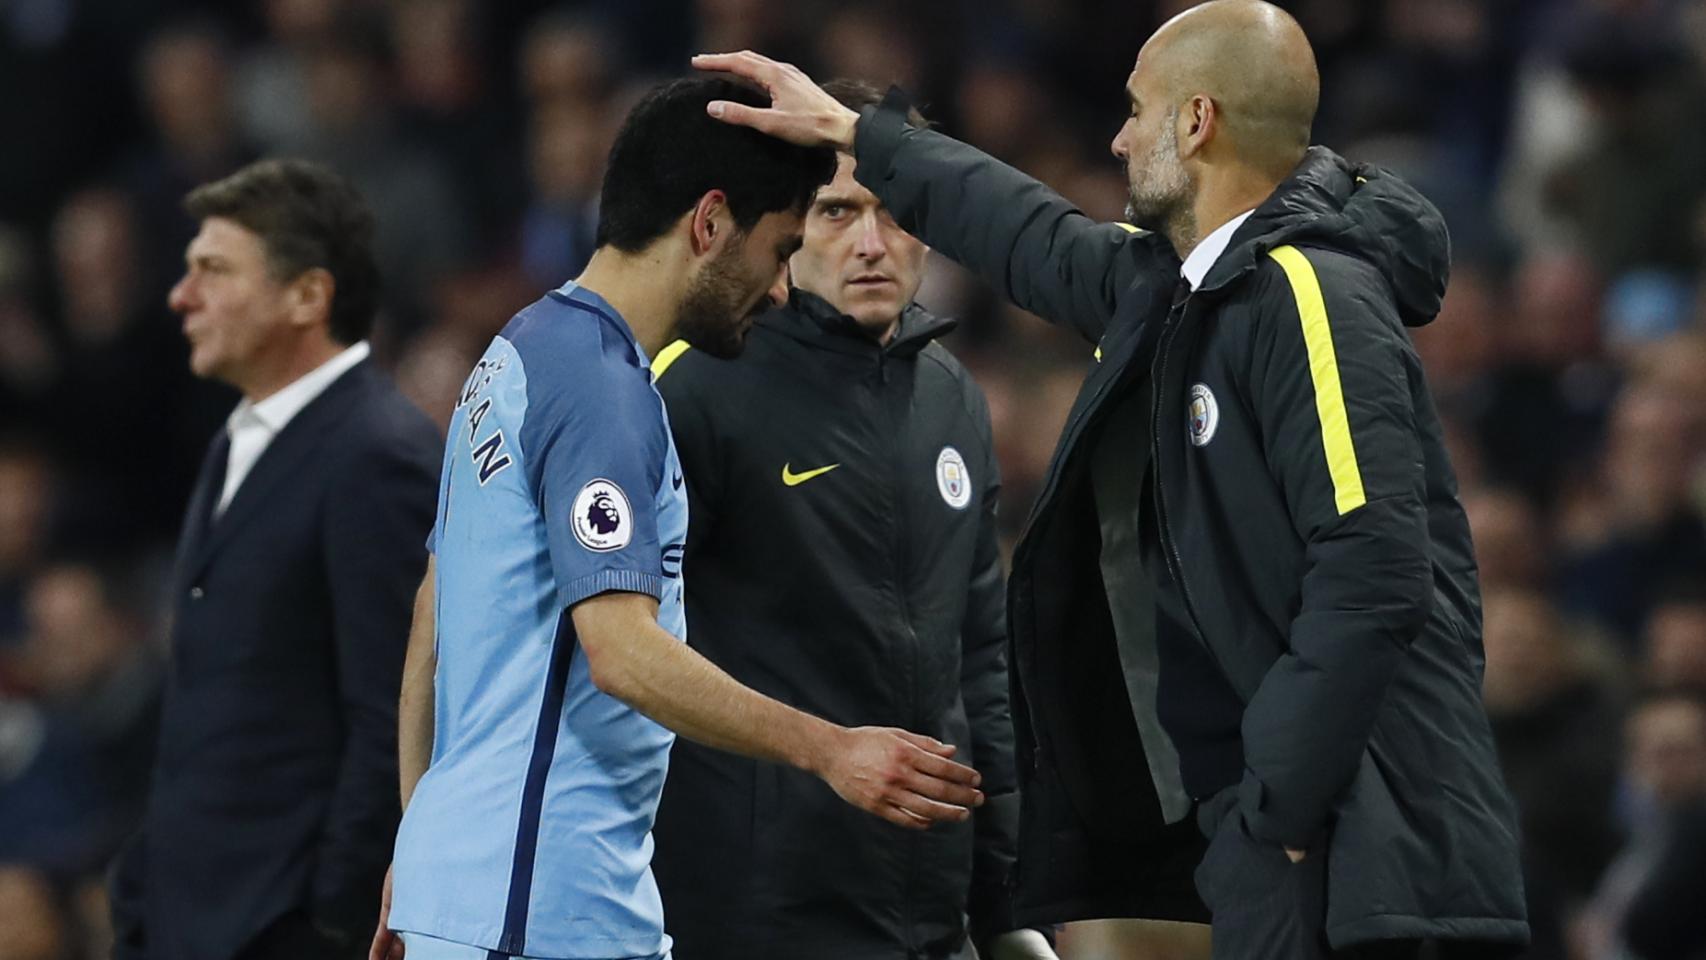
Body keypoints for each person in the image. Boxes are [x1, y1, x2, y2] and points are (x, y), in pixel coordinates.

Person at [694, 1, 1530, 957]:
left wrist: (1279, 808)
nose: (1119, 135)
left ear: (1197, 122)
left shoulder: (1312, 295)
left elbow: (1376, 566)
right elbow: (1032, 235)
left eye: (1138, 110)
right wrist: (860, 135)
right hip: (1301, 849)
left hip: (1374, 863)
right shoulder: (1186, 289)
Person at [370, 78, 986, 960]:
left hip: (475, 891)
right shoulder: (603, 393)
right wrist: (829, 749)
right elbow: (620, 653)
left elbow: (436, 611)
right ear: (707, 226)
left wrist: (421, 848)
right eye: (778, 252)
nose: (779, 293)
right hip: (542, 911)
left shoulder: (517, 354)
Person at [647, 79, 1055, 960]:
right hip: (756, 905)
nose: (872, 244)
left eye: (897, 211)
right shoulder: (696, 385)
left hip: (926, 902)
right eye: (836, 214)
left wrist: (1006, 896)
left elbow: (978, 660)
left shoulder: (953, 399)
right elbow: (628, 651)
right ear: (787, 228)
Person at [109, 159, 441, 960]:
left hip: (282, 926)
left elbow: (393, 708)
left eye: (212, 271)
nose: (180, 297)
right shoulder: (239, 439)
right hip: (189, 918)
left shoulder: (375, 454)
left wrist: (327, 914)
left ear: (307, 296)